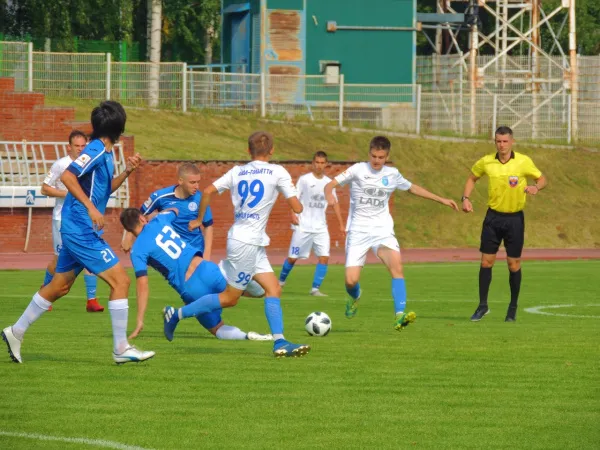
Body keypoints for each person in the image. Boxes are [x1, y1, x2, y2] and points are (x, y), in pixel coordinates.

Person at [1, 101, 155, 364]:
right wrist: (91, 209)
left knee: (59, 286)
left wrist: (127, 171)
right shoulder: (96, 149)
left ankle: (16, 332)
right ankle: (121, 349)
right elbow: (68, 177)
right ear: (119, 127)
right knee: (121, 282)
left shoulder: (105, 153)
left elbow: (105, 190)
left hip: (77, 228)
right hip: (80, 230)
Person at [169, 131, 310, 358]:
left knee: (273, 289)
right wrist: (294, 197)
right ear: (272, 150)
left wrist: (198, 219)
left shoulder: (238, 171)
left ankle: (280, 342)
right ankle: (177, 314)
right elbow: (298, 207)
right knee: (230, 298)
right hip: (246, 242)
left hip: (249, 240)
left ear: (248, 150)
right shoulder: (278, 172)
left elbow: (208, 191)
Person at [324, 136, 459, 330]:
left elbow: (412, 188)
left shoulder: (392, 174)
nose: (376, 160)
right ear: (369, 153)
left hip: (382, 231)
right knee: (350, 281)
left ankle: (399, 315)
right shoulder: (358, 170)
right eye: (373, 156)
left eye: (381, 157)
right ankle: (355, 296)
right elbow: (330, 184)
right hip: (358, 231)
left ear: (387, 156)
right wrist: (328, 193)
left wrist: (441, 199)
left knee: (396, 267)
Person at [120, 208, 272, 342]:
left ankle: (247, 337)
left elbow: (142, 284)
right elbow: (174, 210)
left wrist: (139, 319)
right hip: (207, 270)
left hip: (190, 287)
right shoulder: (159, 220)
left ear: (128, 229)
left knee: (217, 329)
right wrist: (152, 215)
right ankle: (259, 284)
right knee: (243, 293)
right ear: (142, 218)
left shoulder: (137, 250)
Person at [462, 126, 547, 322]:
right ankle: (482, 306)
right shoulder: (486, 161)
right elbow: (472, 178)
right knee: (486, 262)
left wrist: (536, 187)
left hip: (514, 219)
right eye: (498, 141)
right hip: (493, 218)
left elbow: (542, 179)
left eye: (505, 141)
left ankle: (512, 307)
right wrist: (465, 198)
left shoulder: (523, 161)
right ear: (495, 142)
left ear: (512, 142)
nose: (501, 145)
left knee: (513, 264)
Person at [40, 130, 104, 313]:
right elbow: (44, 189)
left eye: (84, 145)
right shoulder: (61, 165)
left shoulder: (90, 164)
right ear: (69, 147)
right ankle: (44, 293)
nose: (81, 149)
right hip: (62, 218)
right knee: (59, 259)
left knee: (90, 256)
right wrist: (68, 194)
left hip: (84, 219)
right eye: (77, 146)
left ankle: (92, 300)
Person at [278, 151, 345, 296]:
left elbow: (335, 203)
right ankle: (281, 282)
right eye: (317, 162)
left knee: (324, 257)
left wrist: (341, 224)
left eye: (322, 163)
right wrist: (293, 214)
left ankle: (315, 289)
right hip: (303, 226)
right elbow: (294, 197)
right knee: (292, 258)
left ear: (326, 164)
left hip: (321, 227)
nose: (319, 165)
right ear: (313, 163)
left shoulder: (329, 183)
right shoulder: (305, 180)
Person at [121, 162, 214, 260]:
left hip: (196, 250)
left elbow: (208, 226)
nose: (197, 186)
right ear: (180, 181)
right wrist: (128, 236)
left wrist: (207, 255)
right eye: (192, 182)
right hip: (172, 253)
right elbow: (139, 216)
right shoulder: (160, 197)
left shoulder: (200, 198)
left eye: (198, 182)